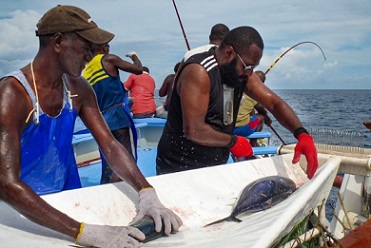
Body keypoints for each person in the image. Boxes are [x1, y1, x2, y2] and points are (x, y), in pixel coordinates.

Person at [0, 5, 182, 248]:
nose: (91, 56)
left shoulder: (79, 88)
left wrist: (146, 191)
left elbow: (110, 144)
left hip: (67, 199)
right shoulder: (12, 95)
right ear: (57, 41)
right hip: (18, 210)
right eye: (86, 48)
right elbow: (6, 183)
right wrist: (85, 233)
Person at [156, 26, 318, 180]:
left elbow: (274, 103)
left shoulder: (241, 73)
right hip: (178, 167)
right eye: (247, 66)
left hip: (215, 165)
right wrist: (234, 141)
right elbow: (194, 130)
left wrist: (301, 133)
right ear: (229, 53)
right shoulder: (199, 72)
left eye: (253, 67)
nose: (250, 72)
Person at [83, 41, 142, 184]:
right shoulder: (108, 59)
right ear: (104, 47)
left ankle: (107, 189)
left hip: (102, 121)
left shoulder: (86, 72)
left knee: (110, 161)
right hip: (119, 117)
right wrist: (134, 56)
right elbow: (138, 69)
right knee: (129, 159)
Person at [234, 70, 272, 147]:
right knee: (261, 117)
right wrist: (267, 119)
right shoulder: (256, 95)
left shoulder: (236, 88)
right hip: (241, 130)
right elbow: (262, 111)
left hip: (227, 129)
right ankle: (253, 143)